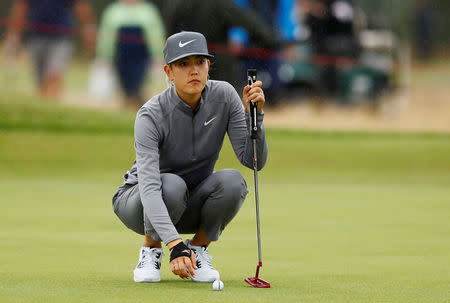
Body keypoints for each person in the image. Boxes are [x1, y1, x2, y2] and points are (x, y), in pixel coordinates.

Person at [111, 31, 268, 283]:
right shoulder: (150, 115)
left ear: (208, 66)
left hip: (190, 199)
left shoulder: (225, 96)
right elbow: (150, 187)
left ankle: (196, 251)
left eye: (199, 62)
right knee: (171, 185)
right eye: (183, 64)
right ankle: (150, 251)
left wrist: (256, 118)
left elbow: (253, 161)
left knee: (233, 182)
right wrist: (174, 245)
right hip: (138, 201)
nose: (193, 70)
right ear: (168, 72)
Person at [3, 0, 96, 99]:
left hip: (62, 37)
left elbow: (81, 5)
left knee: (54, 75)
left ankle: (54, 103)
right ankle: (44, 106)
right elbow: (21, 6)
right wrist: (13, 35)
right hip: (36, 37)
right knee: (41, 82)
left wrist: (88, 28)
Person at [96, 0, 166, 108]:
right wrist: (105, 55)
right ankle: (129, 102)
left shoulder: (148, 11)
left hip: (140, 55)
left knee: (138, 82)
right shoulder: (113, 11)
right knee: (125, 83)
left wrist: (158, 55)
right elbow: (106, 35)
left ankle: (139, 103)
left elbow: (155, 34)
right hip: (121, 55)